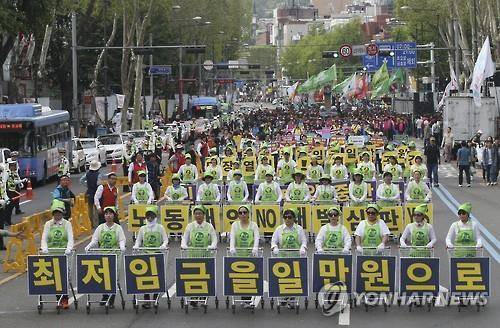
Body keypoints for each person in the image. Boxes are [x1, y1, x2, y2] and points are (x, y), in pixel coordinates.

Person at [84, 206, 126, 308]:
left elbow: (121, 240)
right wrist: (89, 246)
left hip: (114, 256)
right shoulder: (100, 227)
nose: (108, 215)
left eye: (110, 213)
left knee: (112, 278)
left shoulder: (118, 228)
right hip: (102, 256)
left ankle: (111, 299)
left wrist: (121, 247)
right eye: (106, 213)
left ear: (114, 215)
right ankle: (105, 296)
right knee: (103, 277)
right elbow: (95, 240)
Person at [40, 200, 74, 309]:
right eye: (55, 213)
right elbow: (44, 238)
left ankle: (65, 299)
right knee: (54, 277)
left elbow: (70, 238)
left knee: (63, 277)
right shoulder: (48, 224)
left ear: (62, 213)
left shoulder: (67, 224)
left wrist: (68, 249)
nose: (57, 215)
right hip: (52, 254)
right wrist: (44, 249)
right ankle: (58, 299)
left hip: (64, 255)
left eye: (59, 212)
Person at [133, 206, 168, 309]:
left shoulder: (160, 227)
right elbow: (138, 241)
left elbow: (165, 240)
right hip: (146, 255)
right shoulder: (143, 228)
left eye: (151, 216)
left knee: (156, 277)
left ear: (155, 216)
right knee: (146, 278)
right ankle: (147, 299)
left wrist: (163, 246)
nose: (149, 218)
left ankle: (155, 298)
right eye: (148, 216)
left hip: (157, 254)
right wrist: (136, 246)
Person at [80, 160, 102, 227]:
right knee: (96, 207)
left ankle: (91, 223)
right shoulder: (98, 174)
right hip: (96, 191)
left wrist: (87, 185)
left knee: (90, 208)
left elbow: (81, 180)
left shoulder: (87, 174)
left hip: (89, 192)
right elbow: (99, 183)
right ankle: (97, 223)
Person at [0, 165, 10, 249]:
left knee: (1, 226)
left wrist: (7, 199)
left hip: (1, 207)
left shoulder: (1, 182)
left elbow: (3, 193)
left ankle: (1, 244)